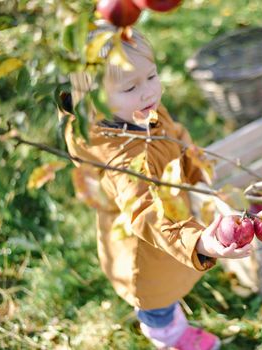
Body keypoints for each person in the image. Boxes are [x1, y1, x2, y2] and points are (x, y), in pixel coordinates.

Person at [58, 22, 251, 349]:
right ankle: (169, 336)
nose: (148, 91)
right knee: (156, 300)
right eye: (131, 87)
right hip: (146, 249)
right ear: (94, 100)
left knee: (172, 280)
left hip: (176, 226)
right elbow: (146, 214)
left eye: (151, 76)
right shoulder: (120, 160)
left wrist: (196, 168)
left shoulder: (140, 111)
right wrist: (200, 242)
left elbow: (174, 135)